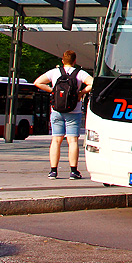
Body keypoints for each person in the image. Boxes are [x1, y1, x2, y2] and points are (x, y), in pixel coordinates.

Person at [34, 50, 93, 180]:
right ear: (75, 61)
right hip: (74, 110)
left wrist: (53, 91)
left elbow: (37, 82)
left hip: (56, 110)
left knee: (56, 140)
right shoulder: (79, 73)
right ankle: (73, 171)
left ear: (62, 60)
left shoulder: (54, 72)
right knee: (72, 141)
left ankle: (53, 171)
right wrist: (81, 92)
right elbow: (92, 83)